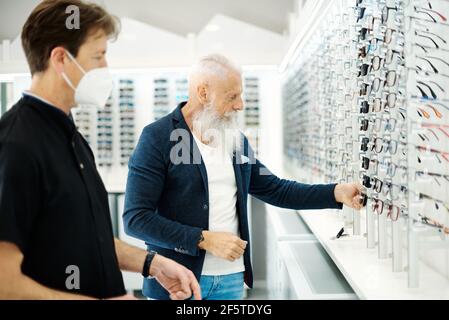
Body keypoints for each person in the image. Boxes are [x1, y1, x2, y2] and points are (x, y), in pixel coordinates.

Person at [0, 0, 200, 300]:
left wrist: (153, 264)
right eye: (98, 56)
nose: (106, 68)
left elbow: (87, 237)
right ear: (60, 59)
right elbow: (5, 283)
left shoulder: (71, 138)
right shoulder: (15, 146)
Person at [123, 54, 365, 300]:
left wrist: (335, 192)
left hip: (230, 279)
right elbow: (136, 219)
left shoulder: (235, 141)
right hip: (176, 282)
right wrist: (203, 239)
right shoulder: (158, 137)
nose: (240, 105)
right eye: (232, 96)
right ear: (203, 93)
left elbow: (275, 189)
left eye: (240, 95)